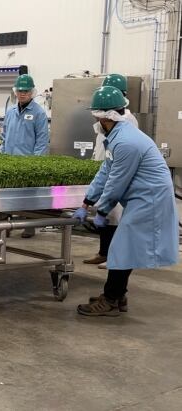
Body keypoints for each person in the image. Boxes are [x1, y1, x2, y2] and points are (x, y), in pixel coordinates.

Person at [73, 85, 178, 316]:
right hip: (143, 197)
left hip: (150, 199)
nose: (95, 120)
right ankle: (117, 296)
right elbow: (105, 172)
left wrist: (102, 212)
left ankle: (111, 299)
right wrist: (87, 202)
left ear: (104, 116)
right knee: (124, 248)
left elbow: (117, 182)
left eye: (96, 115)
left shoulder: (126, 142)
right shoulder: (116, 136)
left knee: (122, 248)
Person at [83, 74, 138, 269]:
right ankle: (104, 253)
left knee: (115, 217)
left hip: (131, 184)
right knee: (107, 215)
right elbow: (107, 162)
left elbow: (118, 173)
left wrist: (101, 206)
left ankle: (113, 258)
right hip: (110, 169)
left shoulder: (126, 123)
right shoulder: (108, 125)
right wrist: (87, 202)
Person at [0, 74, 49, 238]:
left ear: (32, 92)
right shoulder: (11, 111)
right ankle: (3, 226)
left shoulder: (39, 113)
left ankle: (28, 227)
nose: (22, 93)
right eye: (20, 90)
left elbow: (42, 140)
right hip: (9, 159)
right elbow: (4, 135)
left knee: (27, 195)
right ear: (15, 92)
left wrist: (36, 161)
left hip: (27, 160)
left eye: (26, 91)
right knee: (5, 193)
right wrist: (2, 154)